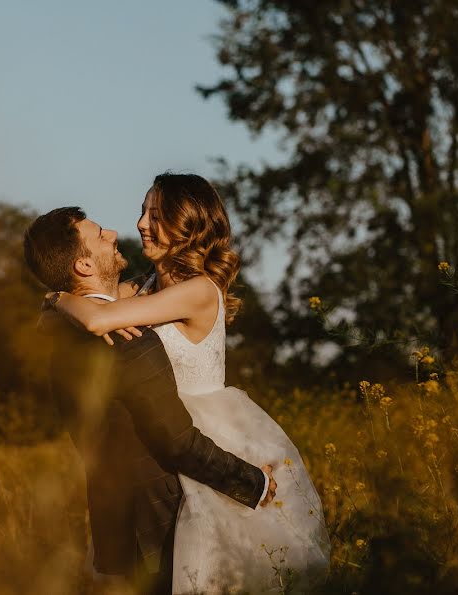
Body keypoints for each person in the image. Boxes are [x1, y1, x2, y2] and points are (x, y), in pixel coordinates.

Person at [47, 173, 330, 594]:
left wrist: (55, 298)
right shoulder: (139, 287)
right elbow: (95, 304)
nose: (142, 223)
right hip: (161, 446)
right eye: (143, 211)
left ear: (189, 227)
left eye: (156, 215)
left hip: (204, 444)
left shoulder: (200, 291)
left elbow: (97, 317)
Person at [23, 206, 277, 594]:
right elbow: (177, 442)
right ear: (84, 265)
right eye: (99, 235)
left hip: (116, 529)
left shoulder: (61, 343)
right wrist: (253, 483)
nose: (113, 232)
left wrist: (55, 299)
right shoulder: (129, 339)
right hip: (164, 525)